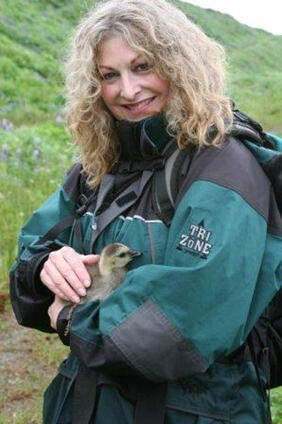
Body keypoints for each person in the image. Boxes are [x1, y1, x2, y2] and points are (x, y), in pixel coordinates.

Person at [9, 0, 282, 423]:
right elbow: (27, 266)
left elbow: (184, 322)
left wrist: (70, 319)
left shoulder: (224, 167)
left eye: (142, 67)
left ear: (179, 65)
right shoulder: (96, 169)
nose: (128, 90)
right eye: (108, 76)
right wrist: (46, 265)